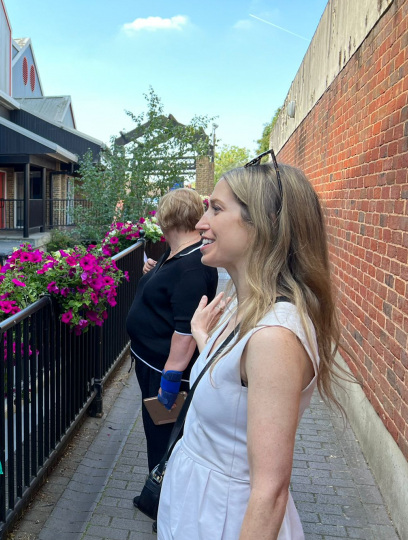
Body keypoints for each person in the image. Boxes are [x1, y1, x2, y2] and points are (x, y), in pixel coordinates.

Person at [157, 153, 344, 539]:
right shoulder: (246, 308)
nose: (201, 223)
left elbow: (270, 492)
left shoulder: (276, 336)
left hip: (225, 519)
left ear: (263, 225)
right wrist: (205, 341)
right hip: (203, 509)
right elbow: (237, 381)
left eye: (217, 209)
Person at [126, 188, 218, 517]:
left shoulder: (191, 267)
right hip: (153, 364)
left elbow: (184, 331)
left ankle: (163, 506)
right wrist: (155, 271)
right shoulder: (178, 254)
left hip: (165, 373)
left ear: (167, 219)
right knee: (159, 433)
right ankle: (162, 498)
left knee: (164, 436)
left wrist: (170, 378)